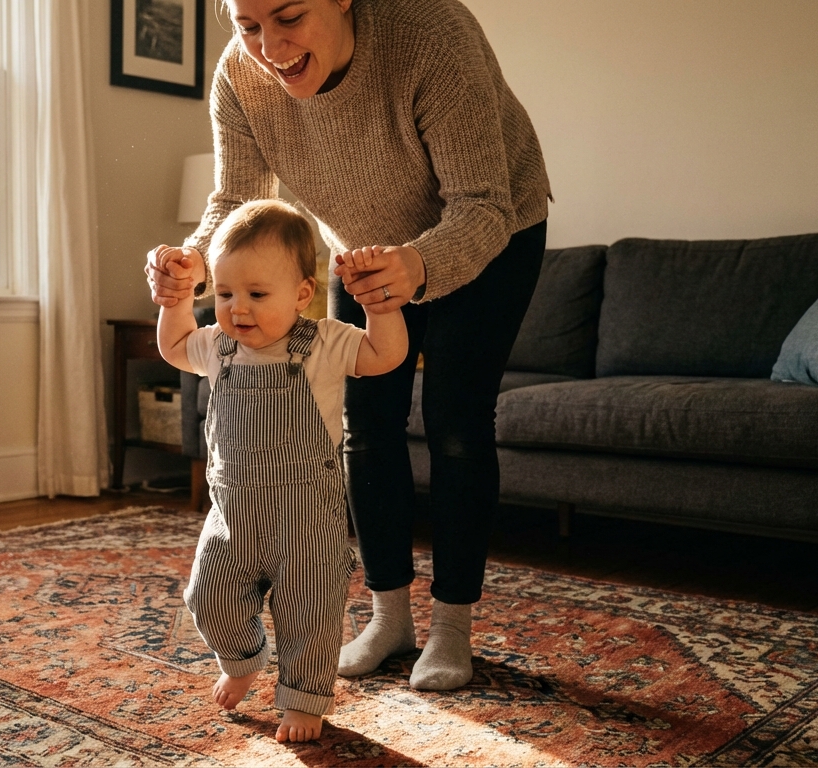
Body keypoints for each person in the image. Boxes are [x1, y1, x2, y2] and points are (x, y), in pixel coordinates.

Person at [145, 0, 552, 692]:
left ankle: (452, 628)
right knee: (364, 428)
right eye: (247, 26)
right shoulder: (238, 77)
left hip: (492, 231)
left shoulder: (429, 33)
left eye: (289, 17)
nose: (269, 46)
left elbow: (482, 204)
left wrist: (417, 267)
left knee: (455, 425)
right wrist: (192, 263)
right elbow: (236, 200)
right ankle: (389, 617)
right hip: (358, 252)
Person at [156, 200, 407, 743]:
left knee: (310, 617)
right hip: (232, 516)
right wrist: (176, 298)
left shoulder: (324, 343)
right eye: (224, 294)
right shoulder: (218, 348)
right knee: (207, 597)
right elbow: (174, 345)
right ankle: (242, 656)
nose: (237, 309)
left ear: (301, 293)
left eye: (256, 294)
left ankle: (303, 699)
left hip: (307, 521)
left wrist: (380, 306)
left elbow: (385, 356)